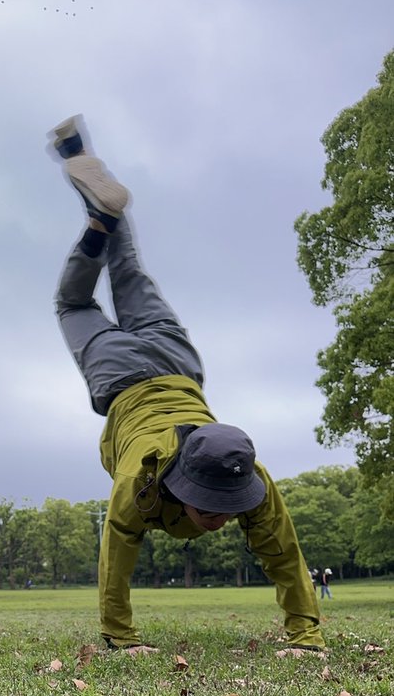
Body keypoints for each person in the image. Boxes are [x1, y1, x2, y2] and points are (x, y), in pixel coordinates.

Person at [49, 115, 323, 652]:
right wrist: (121, 640)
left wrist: (306, 637)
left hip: (178, 361)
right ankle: (93, 192)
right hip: (124, 372)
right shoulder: (141, 475)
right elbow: (118, 548)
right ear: (180, 479)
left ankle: (87, 174)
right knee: (73, 303)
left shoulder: (250, 474)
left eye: (228, 504)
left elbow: (284, 554)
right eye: (210, 506)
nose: (221, 518)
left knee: (124, 258)